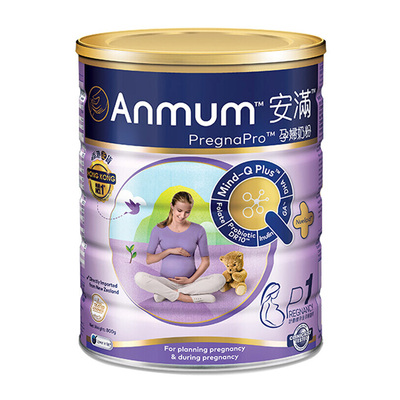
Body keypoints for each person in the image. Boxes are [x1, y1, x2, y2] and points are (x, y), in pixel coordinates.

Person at [135, 191, 226, 303]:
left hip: (191, 282)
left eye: (187, 212)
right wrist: (169, 251)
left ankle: (167, 294)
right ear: (172, 206)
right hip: (166, 282)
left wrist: (190, 280)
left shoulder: (198, 230)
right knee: (139, 277)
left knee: (220, 279)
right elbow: (149, 260)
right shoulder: (158, 229)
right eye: (179, 210)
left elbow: (205, 261)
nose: (182, 215)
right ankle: (186, 297)